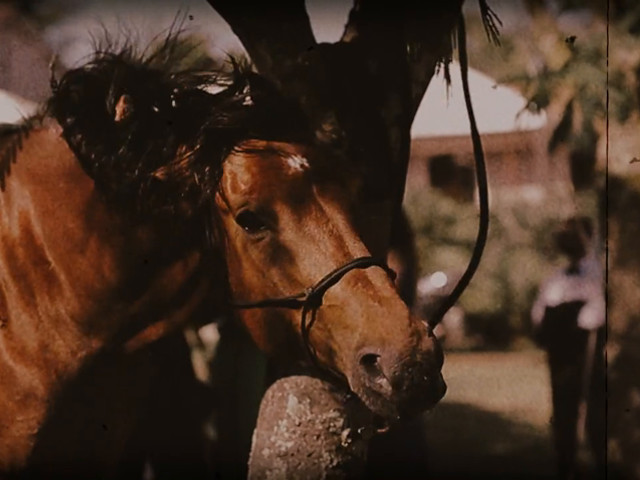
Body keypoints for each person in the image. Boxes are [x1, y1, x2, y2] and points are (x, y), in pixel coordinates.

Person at [531, 216, 606, 480]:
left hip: (586, 346)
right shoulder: (556, 279)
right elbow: (540, 313)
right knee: (563, 408)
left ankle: (600, 461)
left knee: (595, 407)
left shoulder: (597, 274)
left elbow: (596, 312)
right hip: (559, 349)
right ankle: (566, 462)